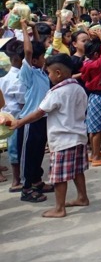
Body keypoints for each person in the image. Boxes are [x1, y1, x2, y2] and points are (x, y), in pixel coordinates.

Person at [11, 54, 89, 218]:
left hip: (63, 140)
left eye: (49, 73)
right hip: (78, 136)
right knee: (77, 171)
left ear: (58, 73)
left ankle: (59, 208)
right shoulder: (78, 88)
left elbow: (39, 113)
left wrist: (19, 122)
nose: (48, 76)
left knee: (59, 177)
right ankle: (82, 197)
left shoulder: (56, 92)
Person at [17, 20, 52, 203]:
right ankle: (26, 188)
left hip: (42, 118)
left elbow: (38, 48)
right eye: (42, 57)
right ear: (34, 61)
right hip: (29, 121)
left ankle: (37, 181)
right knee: (28, 154)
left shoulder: (41, 71)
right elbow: (30, 51)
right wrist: (24, 28)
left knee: (38, 152)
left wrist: (33, 29)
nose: (45, 58)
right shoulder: (28, 72)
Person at [80, 32, 101, 167]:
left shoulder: (86, 64)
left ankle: (94, 153)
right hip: (100, 96)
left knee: (93, 128)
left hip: (93, 96)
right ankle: (97, 156)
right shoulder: (97, 63)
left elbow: (85, 78)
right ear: (96, 54)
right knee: (97, 129)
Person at [0, 38, 25, 192]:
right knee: (16, 148)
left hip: (8, 115)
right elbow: (22, 101)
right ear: (16, 59)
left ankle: (18, 178)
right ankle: (17, 180)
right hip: (17, 116)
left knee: (14, 148)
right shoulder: (17, 78)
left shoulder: (4, 77)